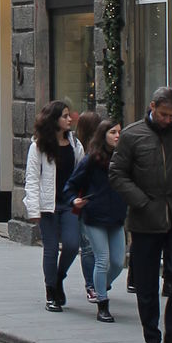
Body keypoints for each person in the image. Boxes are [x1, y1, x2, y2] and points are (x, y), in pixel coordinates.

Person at [109, 85, 172, 343]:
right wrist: (141, 201)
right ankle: (153, 338)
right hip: (146, 217)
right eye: (162, 114)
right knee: (146, 282)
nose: (167, 120)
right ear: (152, 107)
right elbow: (117, 174)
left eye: (171, 115)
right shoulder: (132, 135)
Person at [24, 100, 84, 312]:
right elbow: (32, 178)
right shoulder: (38, 147)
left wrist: (81, 199)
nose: (70, 119)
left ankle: (59, 277)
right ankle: (51, 290)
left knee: (71, 244)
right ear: (54, 120)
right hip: (47, 205)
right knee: (50, 249)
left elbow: (81, 173)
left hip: (68, 203)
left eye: (69, 115)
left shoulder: (75, 145)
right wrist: (33, 209)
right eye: (65, 116)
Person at [64, 119, 125, 322]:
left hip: (116, 216)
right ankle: (102, 305)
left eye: (119, 132)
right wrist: (75, 200)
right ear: (103, 135)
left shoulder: (123, 158)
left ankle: (101, 286)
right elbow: (71, 185)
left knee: (117, 262)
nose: (117, 135)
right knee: (102, 259)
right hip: (94, 216)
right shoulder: (91, 159)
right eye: (113, 132)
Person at [74, 109, 102, 300]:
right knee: (88, 246)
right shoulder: (77, 148)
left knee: (94, 248)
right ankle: (91, 285)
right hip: (82, 203)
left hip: (96, 202)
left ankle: (96, 283)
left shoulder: (101, 148)